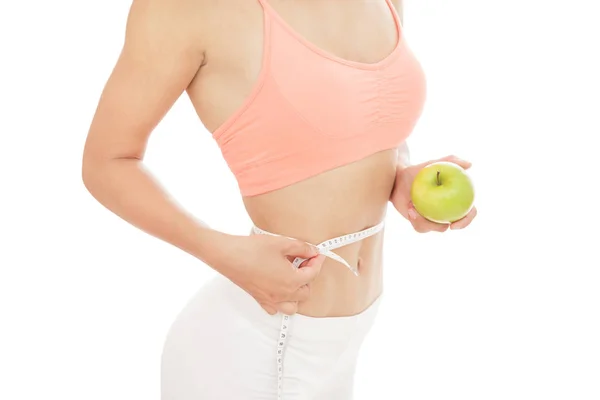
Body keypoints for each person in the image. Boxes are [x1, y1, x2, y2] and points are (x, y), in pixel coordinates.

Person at [81, 0, 477, 398]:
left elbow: (369, 123)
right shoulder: (185, 9)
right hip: (254, 349)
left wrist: (401, 175)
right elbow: (107, 161)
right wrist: (222, 251)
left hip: (341, 344)